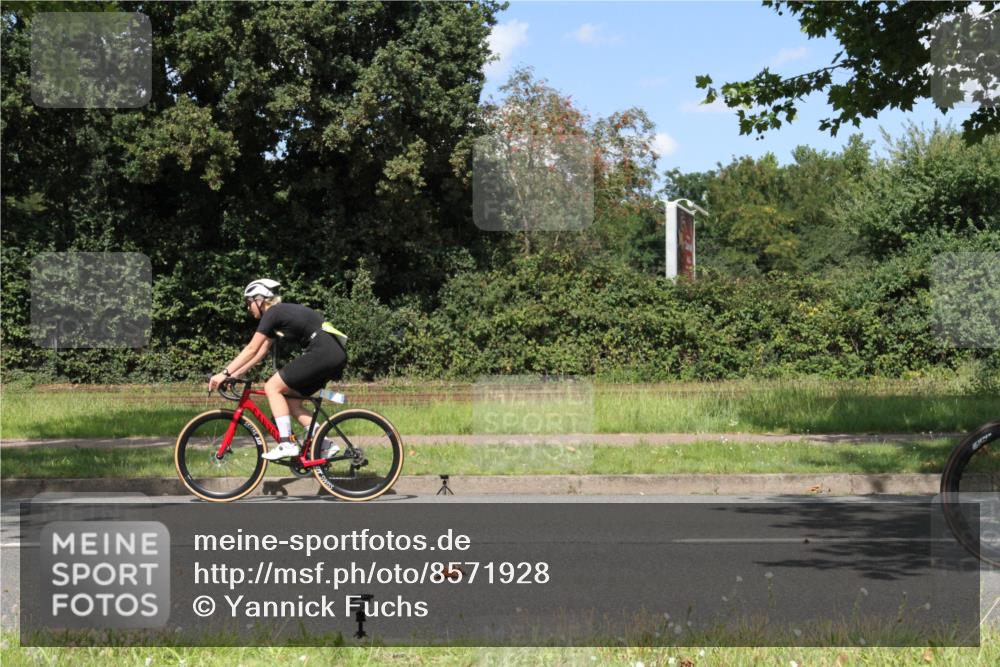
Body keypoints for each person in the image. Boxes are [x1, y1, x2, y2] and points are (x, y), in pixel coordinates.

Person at [208, 279, 347, 460]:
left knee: (272, 387)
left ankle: (287, 443)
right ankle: (324, 443)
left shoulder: (272, 313)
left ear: (260, 300)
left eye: (249, 302)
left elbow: (250, 349)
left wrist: (223, 373)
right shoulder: (279, 315)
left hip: (323, 353)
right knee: (292, 403)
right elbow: (260, 352)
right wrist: (235, 375)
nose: (248, 308)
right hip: (333, 354)